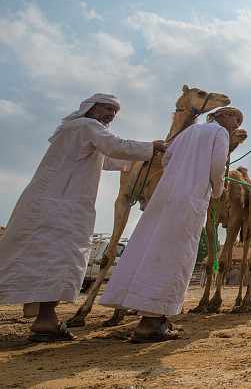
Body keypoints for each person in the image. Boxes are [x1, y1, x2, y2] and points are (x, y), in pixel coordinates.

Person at [0, 94, 167, 342]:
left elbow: (110, 158)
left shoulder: (77, 132)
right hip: (60, 206)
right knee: (56, 257)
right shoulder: (85, 126)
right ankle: (46, 320)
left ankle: (46, 319)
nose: (111, 115)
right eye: (108, 109)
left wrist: (149, 155)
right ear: (91, 108)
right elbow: (115, 146)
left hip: (57, 204)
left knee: (48, 258)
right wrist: (151, 147)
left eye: (115, 111)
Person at [99, 107, 242, 342]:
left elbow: (166, 158)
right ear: (221, 115)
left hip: (165, 194)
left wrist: (184, 166)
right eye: (236, 118)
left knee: (150, 245)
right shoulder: (220, 134)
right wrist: (218, 190)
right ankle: (152, 321)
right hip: (190, 198)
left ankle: (144, 311)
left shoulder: (189, 131)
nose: (237, 124)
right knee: (175, 254)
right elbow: (218, 166)